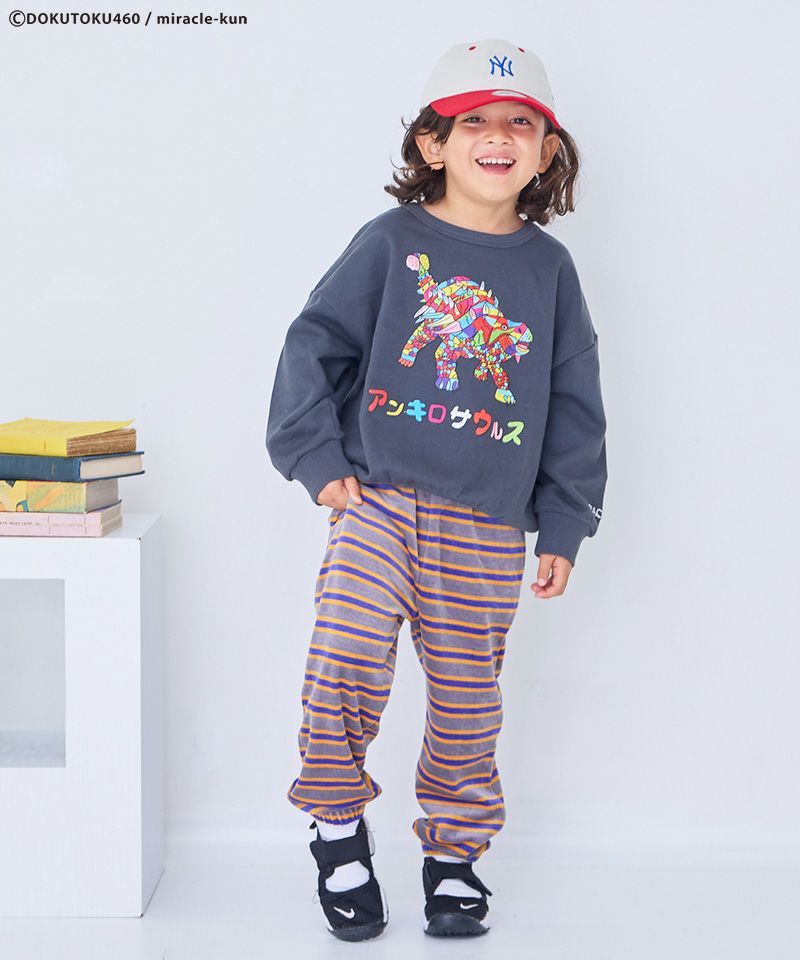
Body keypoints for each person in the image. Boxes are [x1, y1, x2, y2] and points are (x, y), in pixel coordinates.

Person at [265, 36, 608, 941]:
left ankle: (453, 857)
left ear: (546, 149)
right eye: (473, 122)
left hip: (488, 523)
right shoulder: (391, 243)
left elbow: (575, 403)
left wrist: (564, 523)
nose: (498, 137)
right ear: (433, 143)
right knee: (342, 662)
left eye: (520, 123)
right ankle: (337, 829)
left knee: (466, 704)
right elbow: (313, 345)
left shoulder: (548, 271)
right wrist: (316, 461)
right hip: (376, 502)